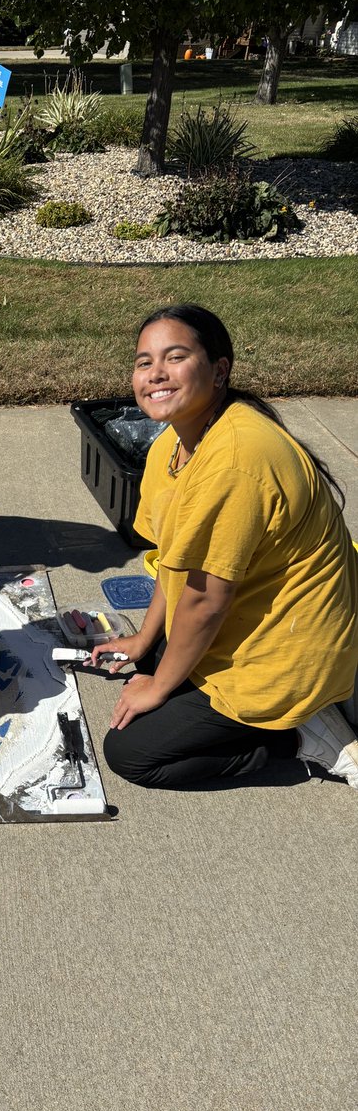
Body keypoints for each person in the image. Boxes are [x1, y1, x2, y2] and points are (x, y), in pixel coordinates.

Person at [96, 304, 358, 790]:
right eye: (144, 362)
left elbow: (204, 601)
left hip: (282, 654)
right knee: (149, 663)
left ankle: (300, 737)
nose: (156, 373)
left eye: (175, 357)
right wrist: (144, 640)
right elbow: (174, 564)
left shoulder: (235, 462)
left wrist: (158, 687)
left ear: (219, 371)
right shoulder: (172, 444)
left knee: (131, 753)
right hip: (240, 622)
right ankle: (271, 716)